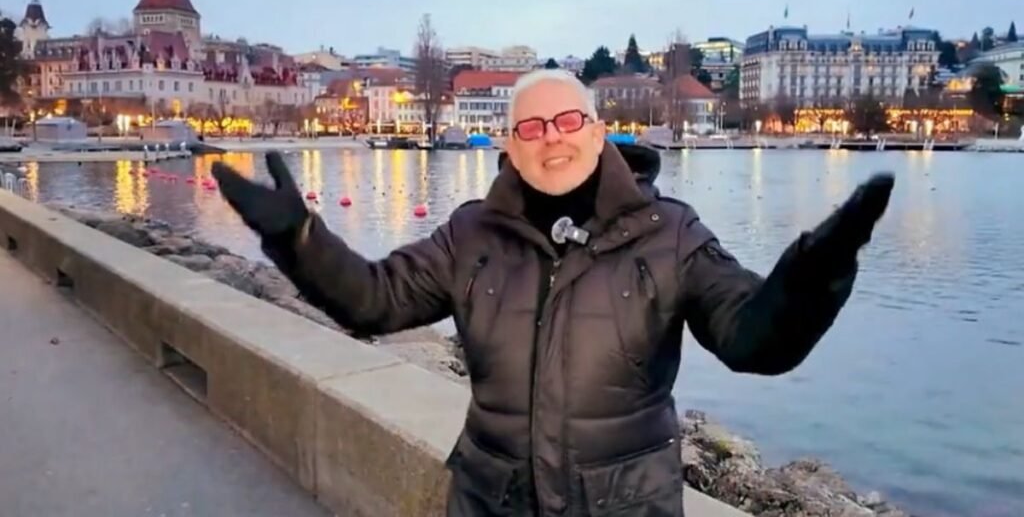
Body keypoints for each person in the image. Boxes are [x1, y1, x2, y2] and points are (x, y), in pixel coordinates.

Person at [212, 69, 894, 517]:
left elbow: (753, 340)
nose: (552, 140)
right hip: (490, 502)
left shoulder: (670, 233)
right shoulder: (471, 234)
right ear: (511, 145)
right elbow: (373, 299)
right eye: (533, 128)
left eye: (568, 121)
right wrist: (300, 238)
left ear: (597, 133)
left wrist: (816, 274)